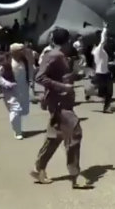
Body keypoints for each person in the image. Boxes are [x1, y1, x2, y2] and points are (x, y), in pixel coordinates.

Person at [31, 27, 91, 188]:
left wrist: (75, 76)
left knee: (55, 137)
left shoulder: (60, 56)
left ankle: (39, 168)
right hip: (59, 103)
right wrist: (63, 87)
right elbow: (40, 77)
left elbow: (59, 76)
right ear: (68, 41)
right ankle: (75, 175)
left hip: (61, 102)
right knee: (75, 133)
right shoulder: (54, 55)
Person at [0, 44, 30, 139]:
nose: (23, 52)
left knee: (22, 110)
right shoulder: (7, 63)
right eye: (21, 50)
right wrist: (6, 83)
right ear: (15, 52)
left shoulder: (24, 61)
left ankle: (17, 128)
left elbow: (30, 72)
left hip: (23, 90)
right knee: (15, 110)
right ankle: (18, 132)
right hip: (11, 91)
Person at [90, 23, 113, 113]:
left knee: (108, 92)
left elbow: (101, 62)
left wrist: (109, 64)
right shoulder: (98, 49)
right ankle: (89, 92)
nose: (106, 41)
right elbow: (103, 39)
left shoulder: (97, 51)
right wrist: (105, 28)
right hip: (101, 74)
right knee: (104, 92)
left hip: (105, 73)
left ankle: (106, 107)